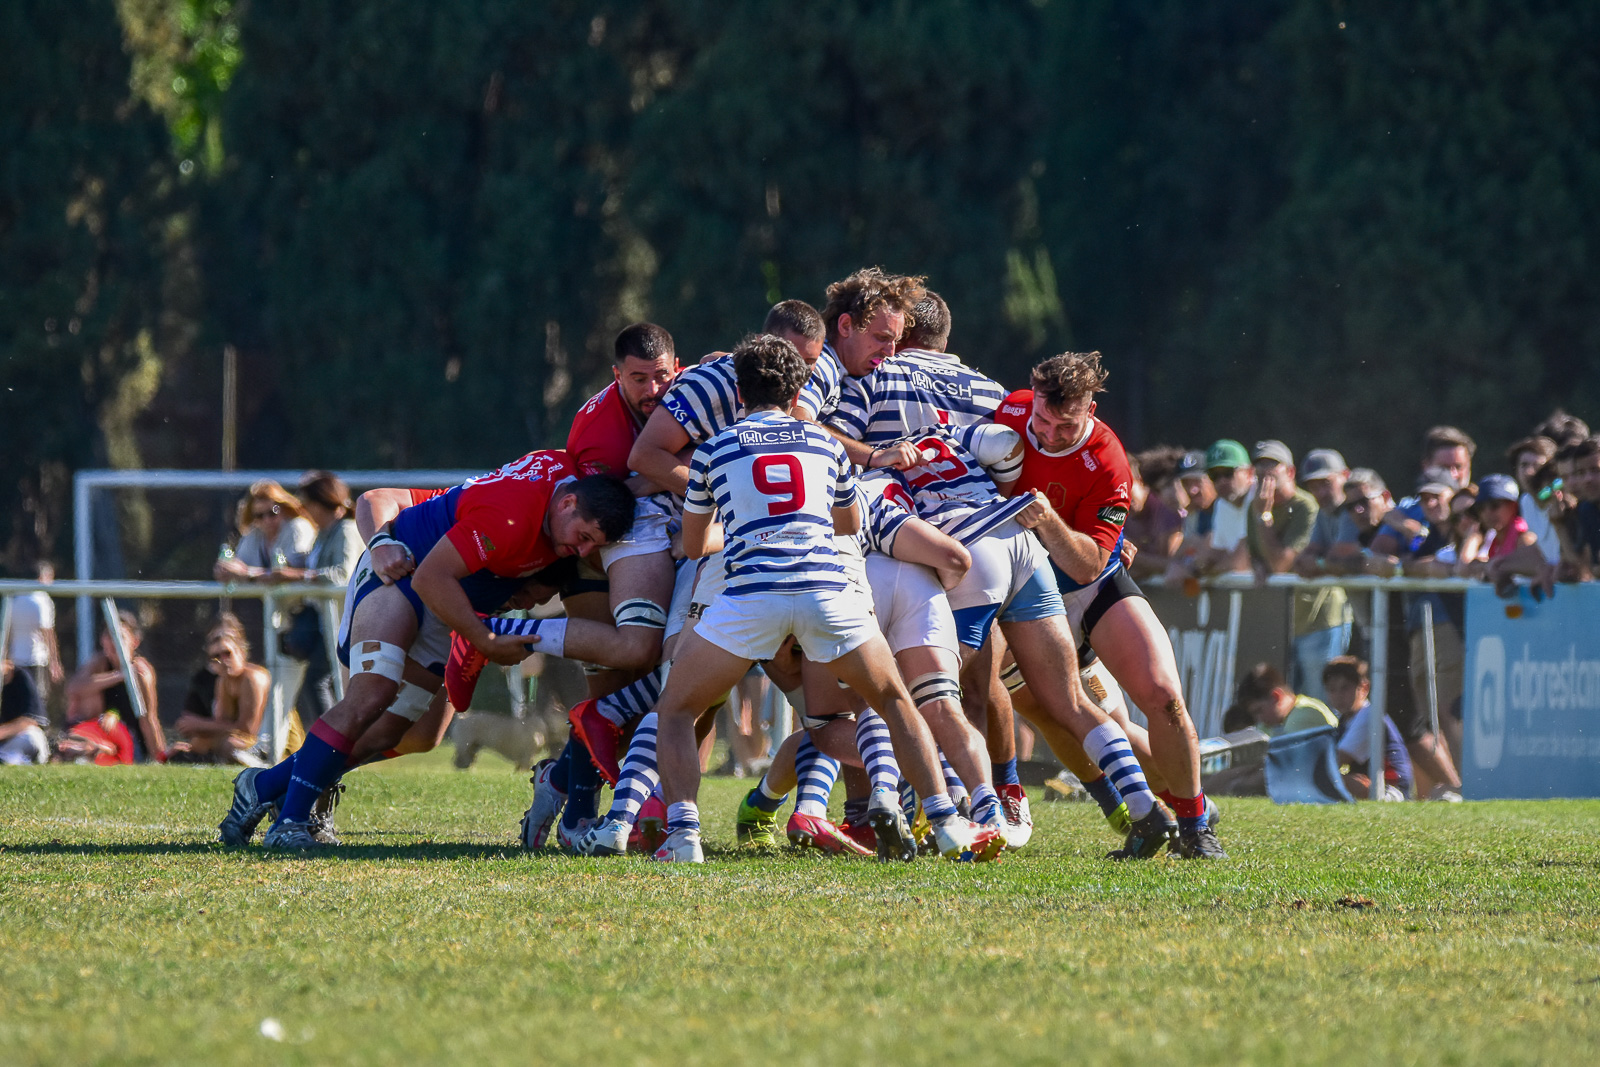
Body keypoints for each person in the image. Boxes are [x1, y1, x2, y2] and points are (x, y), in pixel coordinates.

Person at [649, 335, 1002, 864]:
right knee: (895, 703)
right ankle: (947, 822)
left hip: (750, 596)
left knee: (675, 710)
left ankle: (684, 837)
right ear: (798, 393)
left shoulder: (715, 449)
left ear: (739, 391)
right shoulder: (827, 444)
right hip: (828, 593)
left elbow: (697, 546)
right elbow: (849, 524)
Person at [218, 450, 635, 850]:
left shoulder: (563, 481)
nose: (581, 550)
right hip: (405, 575)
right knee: (372, 696)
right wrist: (484, 638)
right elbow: (426, 574)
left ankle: (264, 785)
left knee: (397, 732)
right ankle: (290, 821)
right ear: (567, 503)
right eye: (582, 538)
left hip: (442, 598)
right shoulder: (512, 516)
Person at [994, 352, 1222, 859]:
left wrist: (1049, 522)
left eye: (1065, 425)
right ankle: (1164, 808)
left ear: (1090, 409)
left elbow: (1088, 566)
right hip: (1019, 595)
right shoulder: (1007, 411)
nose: (1050, 435)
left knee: (1163, 695)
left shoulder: (1108, 457)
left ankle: (1196, 826)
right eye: (1042, 421)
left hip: (1088, 588)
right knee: (1077, 720)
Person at [1248, 440, 1350, 700]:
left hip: (1319, 619)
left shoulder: (1305, 506)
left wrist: (1264, 518)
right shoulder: (1256, 507)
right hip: (1281, 623)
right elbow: (1252, 553)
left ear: (1290, 473)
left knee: (1322, 703)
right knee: (1282, 705)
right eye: (1260, 475)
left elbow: (1281, 565)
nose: (1265, 481)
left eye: (1272, 473)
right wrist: (1255, 564)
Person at [169, 616, 274, 764]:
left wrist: (199, 724)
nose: (223, 661)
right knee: (202, 742)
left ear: (241, 652)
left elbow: (248, 731)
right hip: (245, 742)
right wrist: (195, 741)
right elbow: (223, 725)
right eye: (216, 657)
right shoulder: (222, 681)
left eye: (227, 653)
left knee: (228, 745)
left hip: (273, 744)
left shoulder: (252, 678)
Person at [64, 610, 165, 761]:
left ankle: (96, 752)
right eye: (109, 636)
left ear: (134, 641)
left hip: (130, 740)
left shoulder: (142, 672)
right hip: (99, 732)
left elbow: (149, 720)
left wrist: (160, 757)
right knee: (84, 698)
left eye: (120, 637)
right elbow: (73, 689)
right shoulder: (99, 663)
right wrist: (119, 675)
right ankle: (79, 750)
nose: (114, 643)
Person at [1323, 657, 1412, 800]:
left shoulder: (1369, 716)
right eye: (1332, 690)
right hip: (1372, 783)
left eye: (1345, 688)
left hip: (1392, 790)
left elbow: (1337, 760)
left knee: (1330, 780)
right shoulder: (1345, 720)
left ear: (1364, 687)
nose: (1338, 696)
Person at [5, 562, 62, 706]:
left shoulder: (14, 599)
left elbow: (8, 633)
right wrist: (54, 662)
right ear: (43, 577)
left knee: (17, 703)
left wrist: (6, 657)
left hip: (16, 661)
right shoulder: (42, 601)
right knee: (37, 704)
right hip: (36, 660)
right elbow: (48, 633)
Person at [1234, 663, 1338, 737]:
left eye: (1259, 711)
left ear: (1276, 697)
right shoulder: (1297, 709)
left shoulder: (1302, 717)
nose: (1258, 719)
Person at [0, 658, 50, 764]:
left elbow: (30, 721)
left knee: (31, 737)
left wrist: (3, 732)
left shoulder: (20, 677)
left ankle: (10, 759)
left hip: (18, 740)